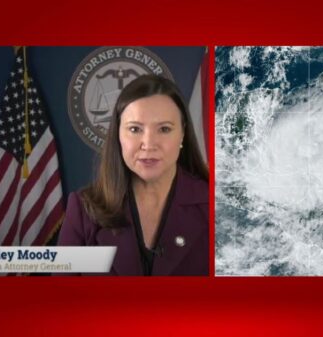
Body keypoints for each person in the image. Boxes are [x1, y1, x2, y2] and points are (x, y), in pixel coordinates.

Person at [58, 74, 209, 276]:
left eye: (164, 129)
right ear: (118, 135)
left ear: (182, 134)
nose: (148, 144)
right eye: (135, 129)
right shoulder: (83, 209)